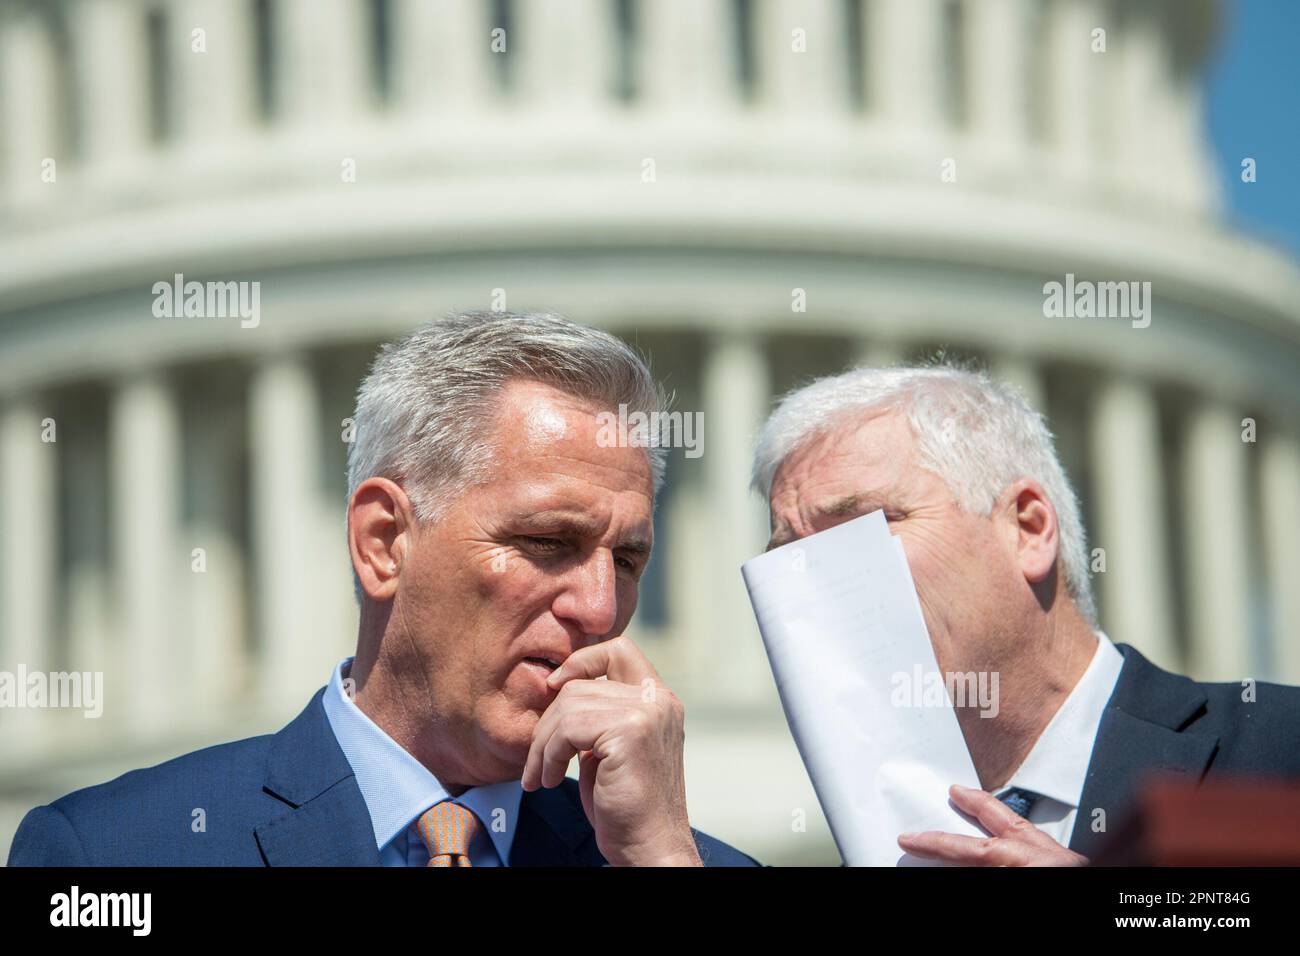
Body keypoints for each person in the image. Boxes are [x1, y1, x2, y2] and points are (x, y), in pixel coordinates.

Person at [8, 311, 758, 867]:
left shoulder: (676, 861)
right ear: (383, 542)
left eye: (628, 561)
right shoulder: (115, 855)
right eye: (545, 543)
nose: (600, 608)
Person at [750, 362, 1300, 865]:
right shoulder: (856, 842)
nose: (813, 586)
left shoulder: (1276, 749)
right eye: (788, 559)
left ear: (1028, 529)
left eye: (860, 528)